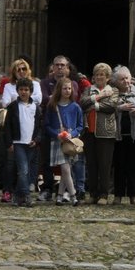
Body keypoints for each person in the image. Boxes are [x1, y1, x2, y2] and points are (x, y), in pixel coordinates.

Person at [0, 58, 34, 200]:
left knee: (25, 167)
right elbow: (5, 103)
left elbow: (37, 100)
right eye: (19, 69)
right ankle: (8, 190)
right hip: (13, 132)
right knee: (10, 163)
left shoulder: (34, 85)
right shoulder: (8, 86)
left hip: (28, 133)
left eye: (24, 69)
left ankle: (21, 192)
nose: (21, 71)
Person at [45, 75, 85, 206]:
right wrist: (56, 134)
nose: (67, 91)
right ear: (59, 90)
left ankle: (60, 196)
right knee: (65, 169)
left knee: (65, 170)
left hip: (71, 142)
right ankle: (73, 196)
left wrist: (72, 134)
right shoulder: (52, 106)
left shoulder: (76, 107)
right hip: (58, 141)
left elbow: (80, 125)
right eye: (64, 88)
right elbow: (47, 125)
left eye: (69, 88)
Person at [3, 77, 43, 205]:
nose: (24, 92)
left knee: (27, 170)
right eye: (21, 89)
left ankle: (17, 195)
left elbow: (39, 126)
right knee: (23, 169)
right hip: (18, 142)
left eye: (26, 89)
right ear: (17, 91)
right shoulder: (13, 106)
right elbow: (7, 125)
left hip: (30, 143)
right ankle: (26, 195)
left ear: (31, 91)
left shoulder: (36, 108)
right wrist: (9, 142)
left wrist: (36, 140)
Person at [85, 63, 120, 204]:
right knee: (91, 164)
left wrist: (95, 106)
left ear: (107, 78)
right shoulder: (89, 89)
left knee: (105, 165)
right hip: (89, 131)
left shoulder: (114, 90)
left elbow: (112, 106)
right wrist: (98, 97)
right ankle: (93, 193)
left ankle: (104, 194)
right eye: (97, 74)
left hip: (106, 132)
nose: (99, 77)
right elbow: (82, 102)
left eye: (102, 75)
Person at [109, 66, 135, 204]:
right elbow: (108, 107)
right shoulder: (112, 93)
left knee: (134, 166)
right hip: (118, 135)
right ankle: (118, 195)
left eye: (127, 78)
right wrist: (119, 108)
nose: (125, 81)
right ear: (116, 81)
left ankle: (133, 195)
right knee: (119, 165)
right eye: (122, 79)